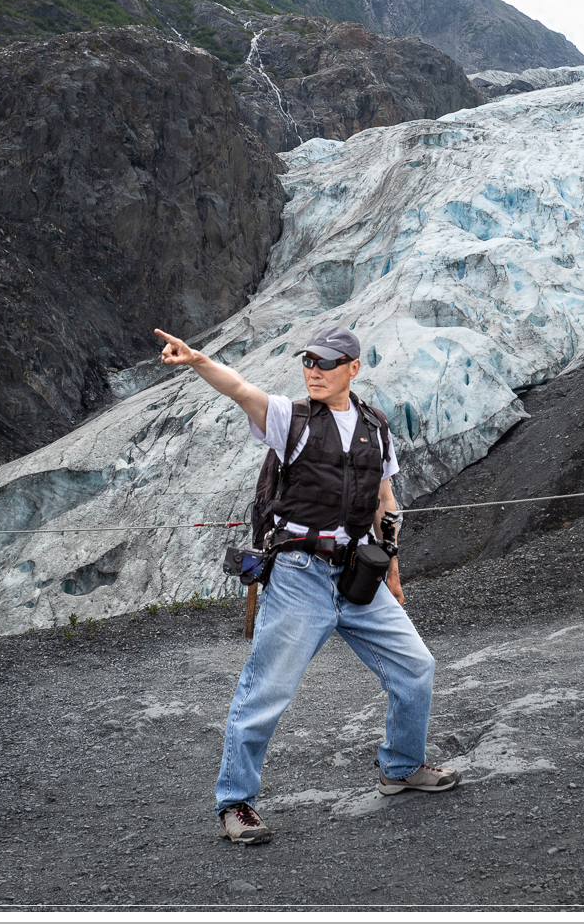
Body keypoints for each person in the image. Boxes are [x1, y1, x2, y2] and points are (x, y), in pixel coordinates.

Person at [154, 323, 460, 844]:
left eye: (325, 363)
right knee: (267, 689)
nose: (313, 371)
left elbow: (385, 502)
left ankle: (402, 767)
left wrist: (392, 567)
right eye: (308, 362)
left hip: (359, 573)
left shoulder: (376, 427)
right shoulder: (288, 419)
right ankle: (236, 804)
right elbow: (239, 388)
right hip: (299, 573)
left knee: (416, 666)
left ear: (353, 368)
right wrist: (199, 360)